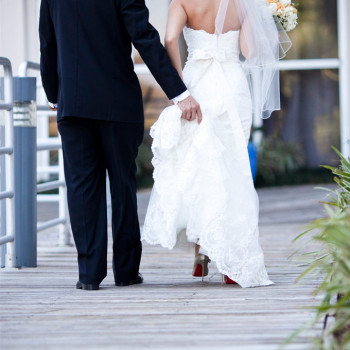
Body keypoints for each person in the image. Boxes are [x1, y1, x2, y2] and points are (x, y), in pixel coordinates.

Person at [39, 0, 202, 291]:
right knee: (123, 186)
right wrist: (178, 92)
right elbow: (143, 36)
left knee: (81, 188)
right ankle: (126, 271)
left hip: (74, 104)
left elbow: (47, 43)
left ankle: (89, 274)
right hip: (118, 104)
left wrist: (54, 94)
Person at [142, 0, 291, 288]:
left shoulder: (182, 1)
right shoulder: (242, 2)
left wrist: (180, 87)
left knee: (203, 169)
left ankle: (203, 253)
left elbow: (170, 39)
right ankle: (233, 262)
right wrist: (269, 22)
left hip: (198, 86)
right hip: (233, 88)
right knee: (234, 170)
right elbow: (249, 51)